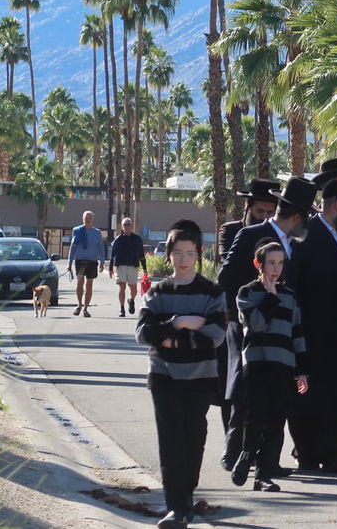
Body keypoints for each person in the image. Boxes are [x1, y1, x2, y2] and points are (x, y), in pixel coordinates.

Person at [216, 176, 315, 474]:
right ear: (297, 216)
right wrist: (252, 309)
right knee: (245, 394)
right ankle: (234, 454)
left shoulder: (296, 246)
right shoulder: (250, 235)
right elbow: (226, 279)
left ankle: (267, 461)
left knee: (275, 397)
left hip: (282, 334)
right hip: (248, 328)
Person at [135, 220, 227, 529]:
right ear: (169, 254)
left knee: (193, 437)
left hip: (200, 378)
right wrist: (180, 323)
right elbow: (144, 332)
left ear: (199, 254)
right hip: (164, 377)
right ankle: (175, 507)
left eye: (190, 253)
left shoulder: (212, 291)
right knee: (170, 440)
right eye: (178, 253)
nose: (184, 259)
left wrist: (172, 338)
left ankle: (186, 498)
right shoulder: (158, 291)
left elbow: (215, 334)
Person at [286, 177, 337, 473]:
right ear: (336, 205)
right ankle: (306, 452)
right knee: (308, 396)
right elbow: (292, 285)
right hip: (311, 331)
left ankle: (334, 450)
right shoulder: (304, 235)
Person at [233, 241, 309, 492]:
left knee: (276, 421)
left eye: (280, 263)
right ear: (259, 264)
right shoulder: (247, 292)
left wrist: (302, 371)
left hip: (283, 365)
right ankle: (246, 455)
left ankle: (263, 475)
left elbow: (297, 334)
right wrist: (269, 298)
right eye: (271, 263)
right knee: (255, 416)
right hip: (256, 363)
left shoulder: (290, 297)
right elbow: (254, 324)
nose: (276, 269)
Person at [219, 179, 281, 263]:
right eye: (260, 211)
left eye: (269, 212)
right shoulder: (230, 230)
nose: (264, 217)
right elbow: (229, 262)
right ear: (247, 206)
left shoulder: (281, 236)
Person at [67, 211, 106, 317]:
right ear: (82, 219)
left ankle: (85, 308)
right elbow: (72, 247)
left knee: (89, 284)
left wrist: (102, 262)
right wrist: (69, 263)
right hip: (80, 261)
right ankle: (79, 304)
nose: (87, 220)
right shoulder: (77, 230)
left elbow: (101, 248)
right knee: (80, 282)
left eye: (89, 218)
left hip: (92, 262)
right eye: (85, 218)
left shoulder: (97, 232)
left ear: (92, 219)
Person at [109, 217, 146, 318]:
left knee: (133, 288)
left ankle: (131, 300)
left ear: (131, 226)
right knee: (122, 287)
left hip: (133, 266)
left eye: (128, 224)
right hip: (121, 266)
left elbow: (142, 255)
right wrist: (111, 268)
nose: (127, 227)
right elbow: (112, 255)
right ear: (122, 227)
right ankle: (122, 309)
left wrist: (145, 269)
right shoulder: (118, 239)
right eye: (125, 225)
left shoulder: (137, 239)